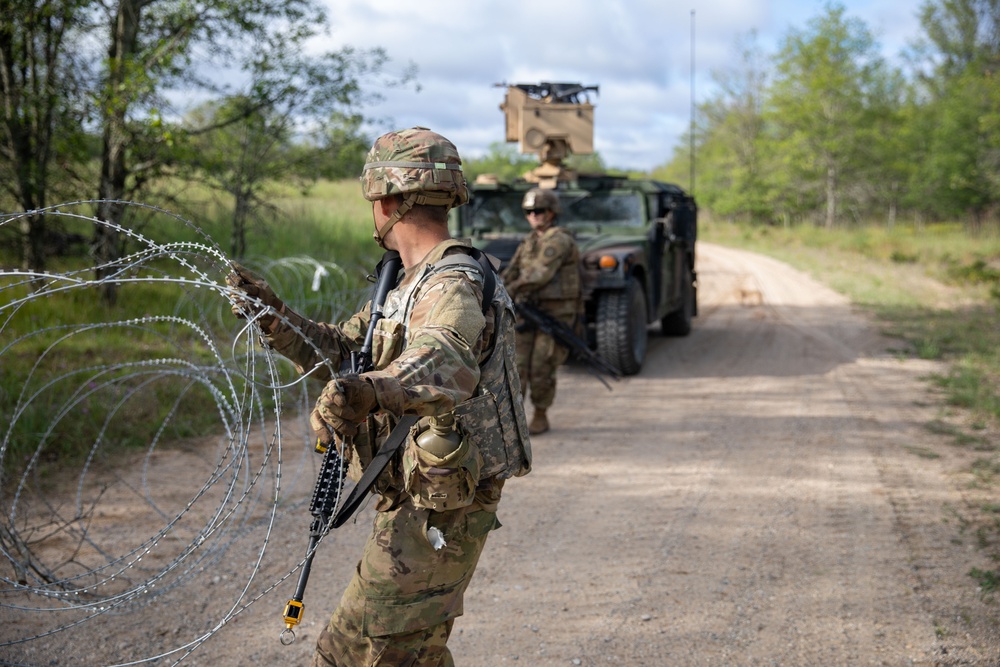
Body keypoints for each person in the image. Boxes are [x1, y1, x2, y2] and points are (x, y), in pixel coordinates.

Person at [227, 127, 531, 666]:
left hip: (441, 508)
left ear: (387, 199)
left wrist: (372, 389)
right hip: (414, 499)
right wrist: (276, 319)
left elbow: (448, 356)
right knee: (381, 650)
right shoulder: (408, 282)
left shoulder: (451, 282)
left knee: (377, 649)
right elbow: (347, 354)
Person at [500, 188, 581, 435]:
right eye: (529, 211)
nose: (534, 216)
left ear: (552, 213)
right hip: (528, 311)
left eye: (539, 211)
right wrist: (500, 287)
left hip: (553, 314)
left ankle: (541, 414)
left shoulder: (558, 239)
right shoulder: (529, 241)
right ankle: (514, 417)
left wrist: (509, 290)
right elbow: (512, 270)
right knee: (517, 364)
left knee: (542, 365)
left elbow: (539, 274)